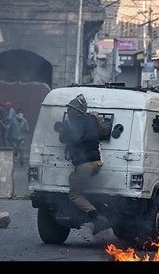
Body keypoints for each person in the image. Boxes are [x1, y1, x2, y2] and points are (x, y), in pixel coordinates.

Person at [58, 94, 111, 235]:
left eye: (71, 110)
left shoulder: (69, 124)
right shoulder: (92, 119)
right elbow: (106, 131)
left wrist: (65, 125)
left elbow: (62, 138)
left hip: (83, 165)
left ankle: (97, 218)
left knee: (74, 195)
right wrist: (95, 118)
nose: (69, 112)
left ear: (77, 111)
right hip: (97, 163)